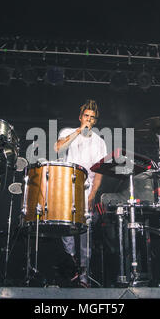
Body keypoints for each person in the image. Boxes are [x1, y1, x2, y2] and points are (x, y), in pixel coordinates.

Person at [54, 100, 107, 287]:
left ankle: (84, 276)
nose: (89, 120)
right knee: (65, 228)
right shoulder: (68, 132)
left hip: (87, 188)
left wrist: (93, 194)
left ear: (95, 121)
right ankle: (72, 263)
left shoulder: (100, 142)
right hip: (67, 186)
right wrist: (79, 131)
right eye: (86, 116)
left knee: (86, 233)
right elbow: (58, 148)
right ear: (80, 117)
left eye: (92, 118)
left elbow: (99, 172)